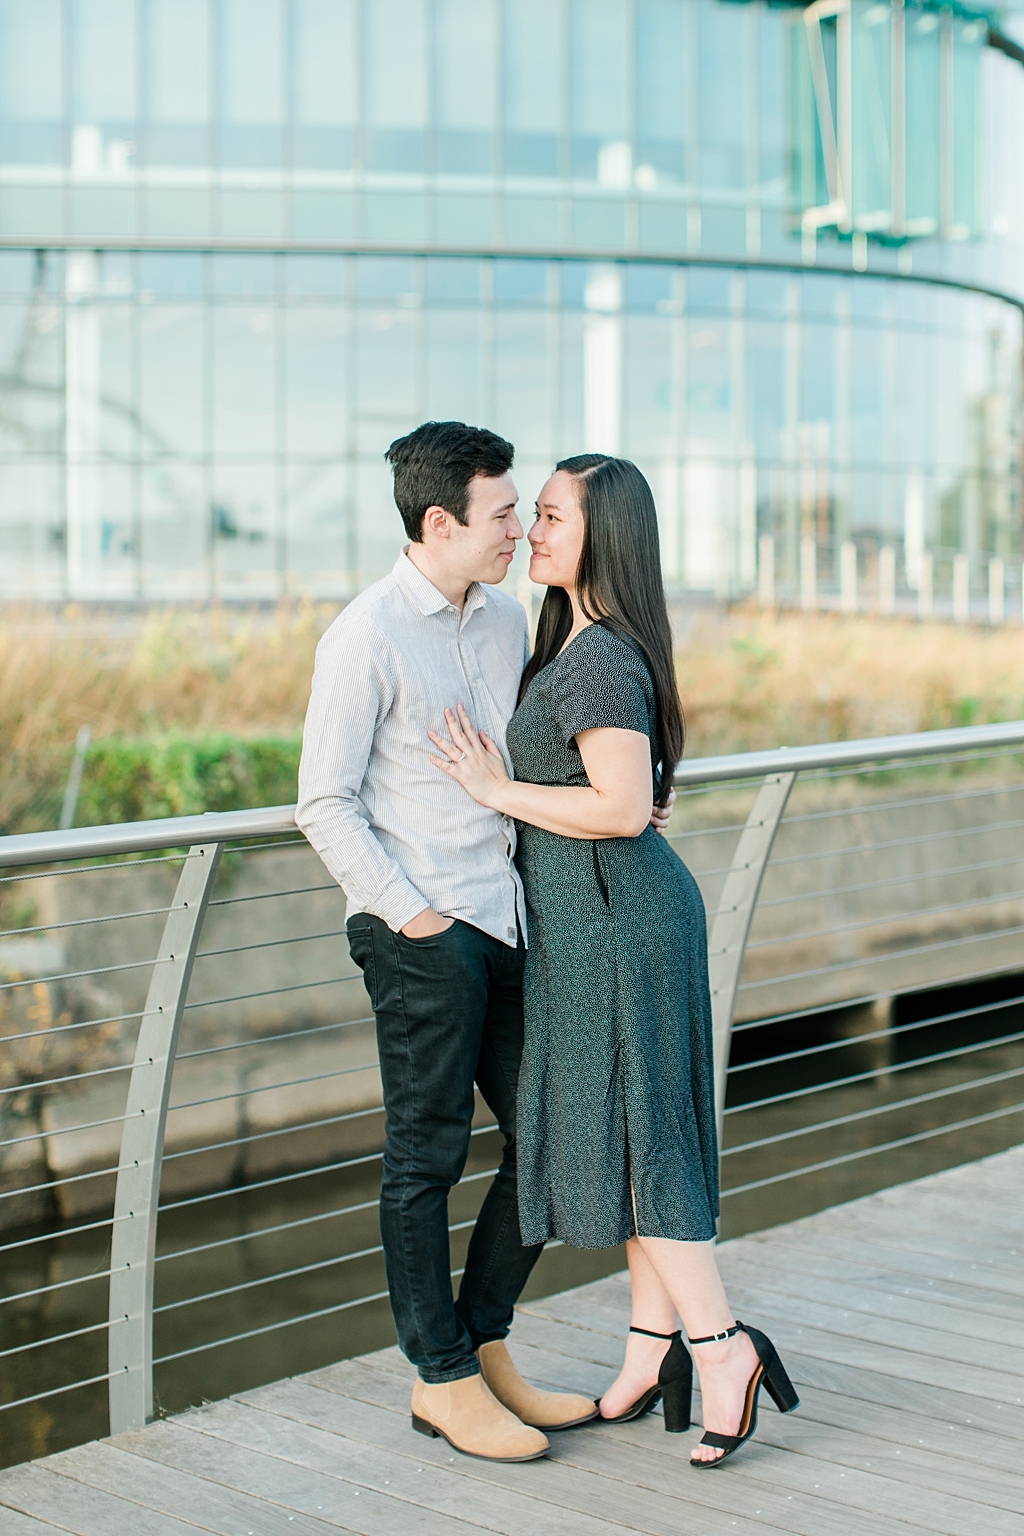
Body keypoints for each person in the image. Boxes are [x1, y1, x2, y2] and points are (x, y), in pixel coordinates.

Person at [429, 454, 799, 1468]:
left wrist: (493, 790)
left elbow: (623, 809)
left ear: (606, 536)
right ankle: (649, 1352)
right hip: (604, 923)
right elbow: (622, 796)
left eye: (550, 517)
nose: (531, 533)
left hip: (615, 928)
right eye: (531, 515)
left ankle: (720, 1351)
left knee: (644, 1149)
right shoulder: (583, 646)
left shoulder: (594, 659)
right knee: (639, 1143)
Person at [297, 421, 614, 1465]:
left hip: (509, 918)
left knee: (549, 1133)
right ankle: (439, 1379)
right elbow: (323, 802)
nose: (518, 530)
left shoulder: (503, 618)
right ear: (439, 522)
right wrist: (410, 911)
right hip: (423, 932)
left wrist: (620, 799)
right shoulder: (366, 635)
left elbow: (518, 760)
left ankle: (485, 1348)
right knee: (424, 1159)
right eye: (502, 514)